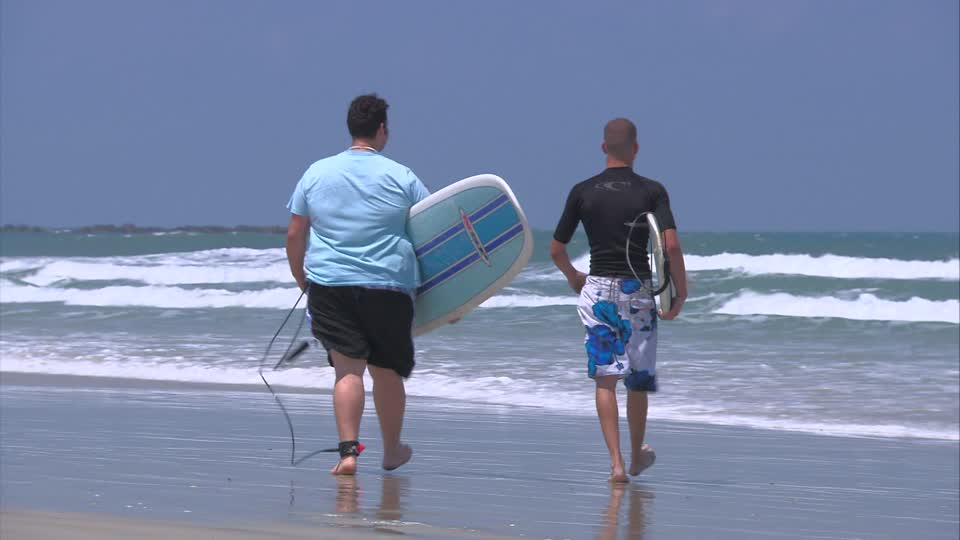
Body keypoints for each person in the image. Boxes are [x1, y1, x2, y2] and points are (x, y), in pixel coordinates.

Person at [285, 94, 430, 476]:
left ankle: (348, 453)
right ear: (382, 129)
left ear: (350, 128)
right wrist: (446, 295)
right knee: (386, 371)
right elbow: (433, 233)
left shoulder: (316, 172)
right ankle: (392, 450)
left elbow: (295, 233)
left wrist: (302, 277)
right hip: (388, 286)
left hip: (330, 285)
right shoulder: (402, 175)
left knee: (347, 372)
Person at [550, 118, 688, 483]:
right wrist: (680, 290)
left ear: (603, 148)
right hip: (638, 291)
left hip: (597, 291)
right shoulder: (652, 191)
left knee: (605, 380)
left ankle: (615, 465)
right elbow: (670, 245)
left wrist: (574, 278)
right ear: (636, 148)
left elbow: (557, 248)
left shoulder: (582, 191)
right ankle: (636, 457)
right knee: (637, 380)